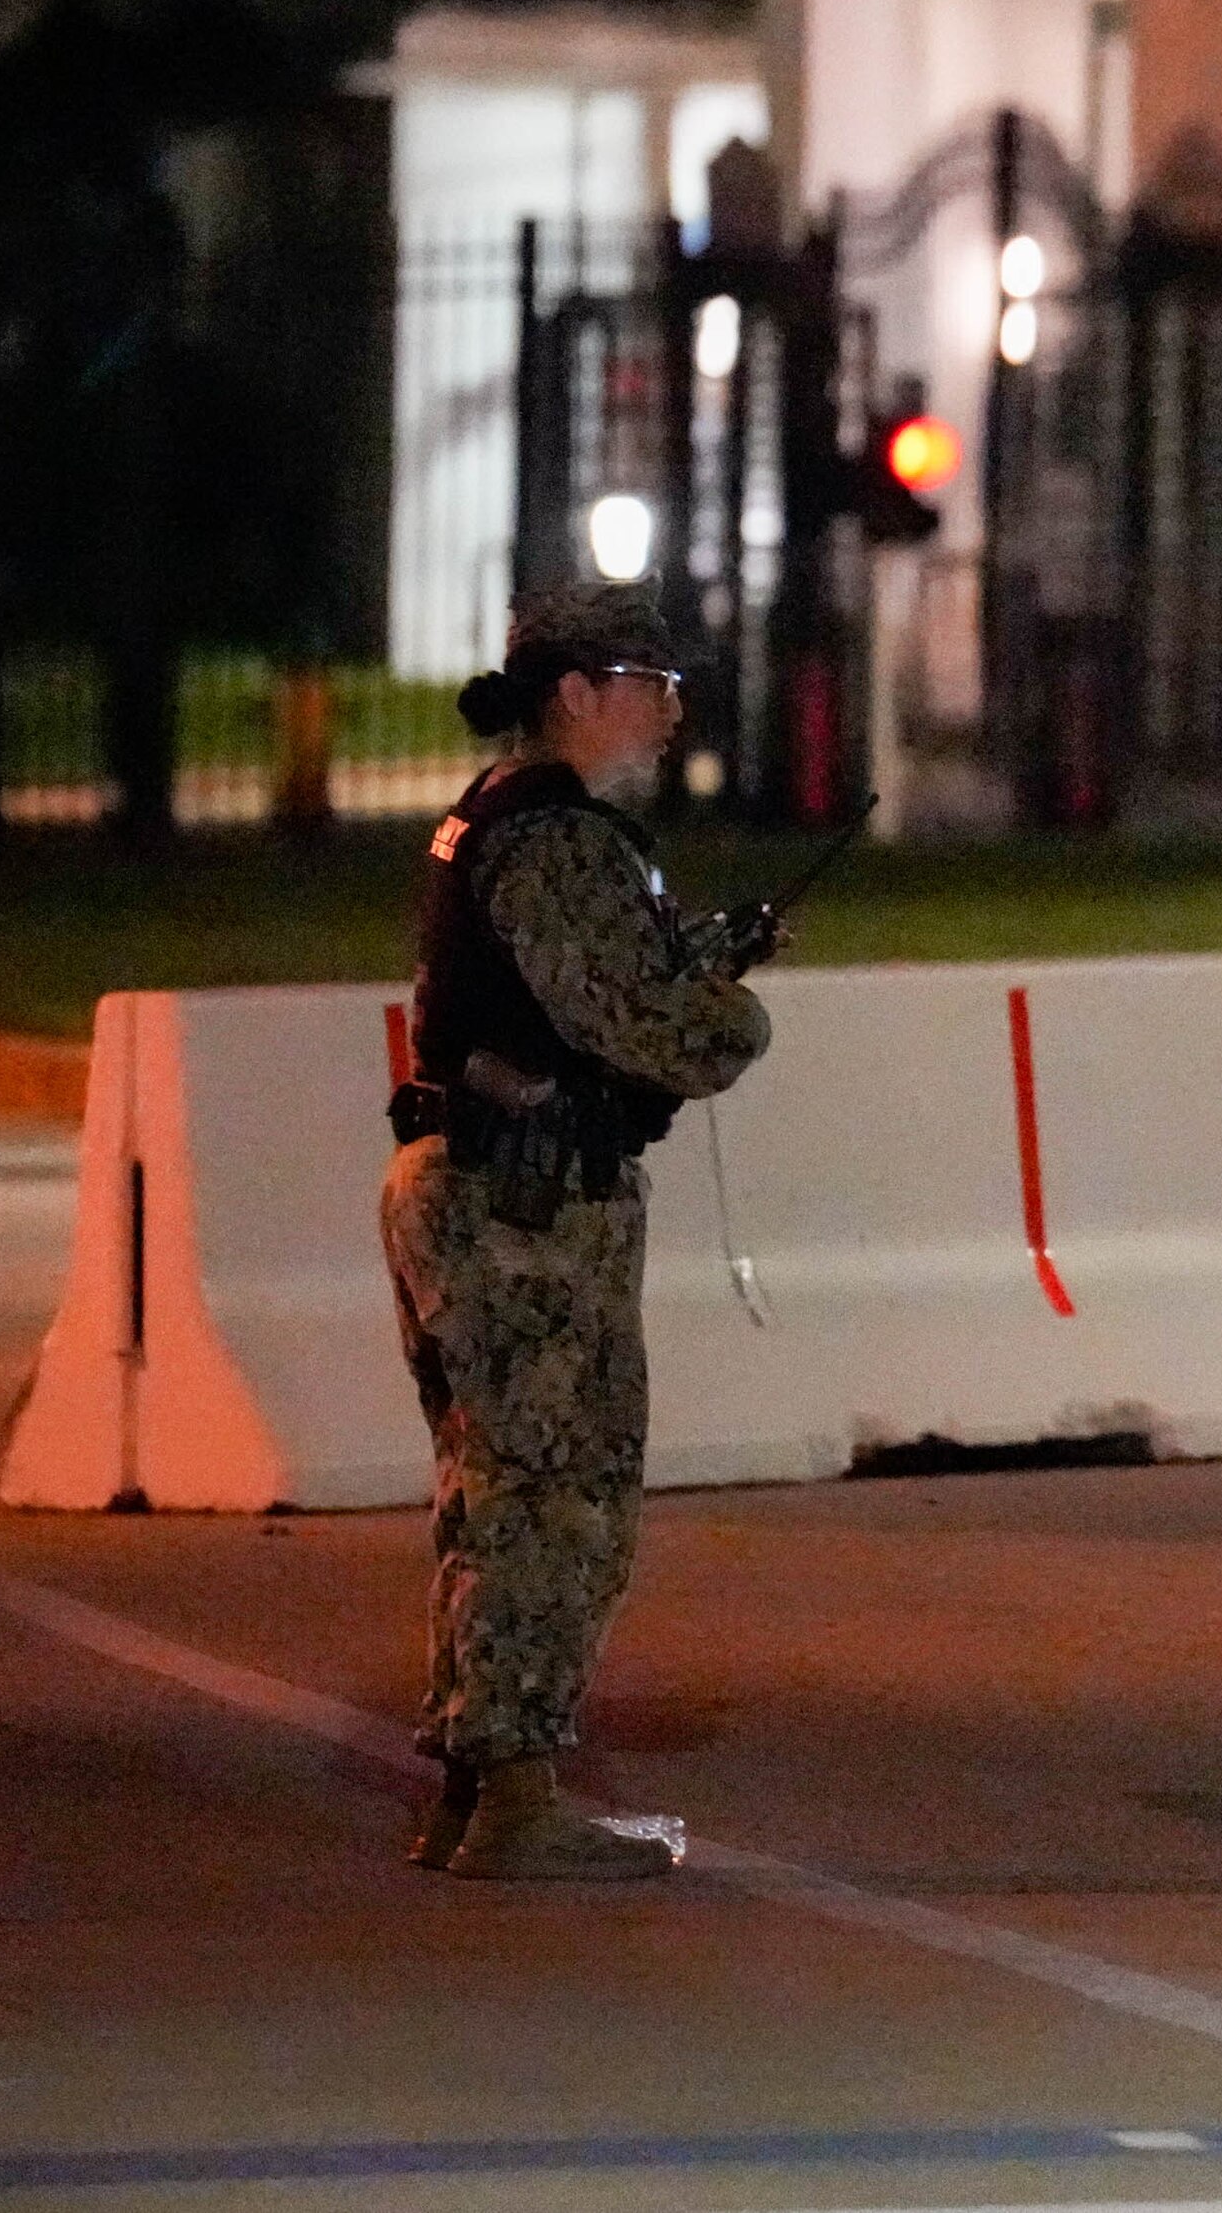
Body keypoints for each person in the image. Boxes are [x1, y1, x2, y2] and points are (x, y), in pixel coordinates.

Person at [384, 578, 775, 1881]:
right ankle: (515, 1793)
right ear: (576, 692)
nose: (672, 713)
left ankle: (479, 1782)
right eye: (652, 685)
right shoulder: (556, 837)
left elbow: (578, 987)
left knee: (500, 1485)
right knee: (560, 1494)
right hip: (525, 1207)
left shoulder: (514, 825)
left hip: (492, 1189)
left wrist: (702, 952)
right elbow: (634, 1016)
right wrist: (733, 1019)